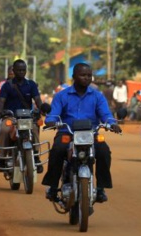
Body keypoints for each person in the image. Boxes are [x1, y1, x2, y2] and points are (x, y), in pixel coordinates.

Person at [42, 63, 122, 203]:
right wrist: (51, 121)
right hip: (67, 132)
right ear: (74, 77)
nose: (86, 78)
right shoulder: (62, 96)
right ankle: (53, 187)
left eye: (89, 75)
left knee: (103, 151)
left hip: (90, 134)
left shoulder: (98, 96)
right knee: (57, 150)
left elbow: (105, 114)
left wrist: (112, 123)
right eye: (83, 75)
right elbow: (54, 114)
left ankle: (101, 189)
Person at [0, 59, 46, 171]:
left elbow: (37, 99)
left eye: (23, 70)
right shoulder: (7, 86)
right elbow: (2, 100)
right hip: (11, 116)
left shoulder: (31, 84)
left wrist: (42, 108)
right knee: (4, 129)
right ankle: (2, 158)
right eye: (19, 70)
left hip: (27, 117)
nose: (21, 72)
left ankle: (36, 157)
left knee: (35, 128)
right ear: (14, 70)